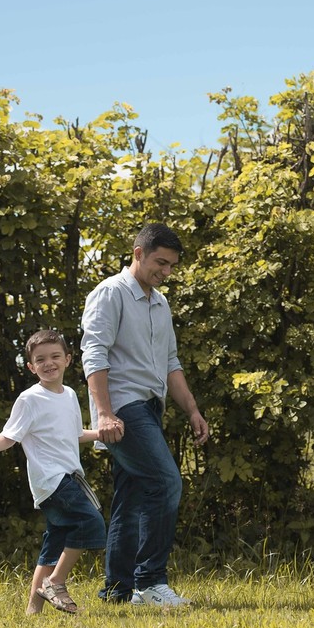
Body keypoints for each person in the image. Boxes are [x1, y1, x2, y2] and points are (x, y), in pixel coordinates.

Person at [80, 223, 210, 607]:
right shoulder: (110, 294)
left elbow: (170, 362)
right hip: (123, 407)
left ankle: (118, 591)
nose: (166, 272)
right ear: (138, 253)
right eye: (160, 262)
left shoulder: (159, 302)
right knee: (166, 481)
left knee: (133, 495)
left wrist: (192, 409)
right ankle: (151, 582)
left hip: (151, 406)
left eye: (171, 266)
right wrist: (104, 414)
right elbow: (94, 355)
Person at [0, 329, 106, 615]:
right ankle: (55, 582)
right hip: (51, 481)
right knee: (92, 524)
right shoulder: (30, 399)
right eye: (40, 359)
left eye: (55, 356)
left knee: (55, 540)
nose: (48, 363)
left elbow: (74, 434)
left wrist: (101, 433)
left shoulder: (70, 395)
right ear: (31, 366)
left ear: (67, 359)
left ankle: (33, 611)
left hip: (70, 477)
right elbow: (10, 436)